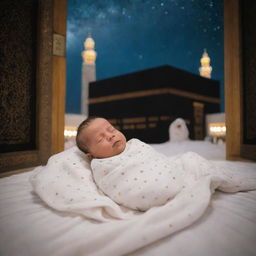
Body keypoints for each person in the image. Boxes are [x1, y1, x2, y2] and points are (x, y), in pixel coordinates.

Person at [76, 117, 256, 211]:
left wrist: (174, 166)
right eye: (101, 139)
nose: (110, 135)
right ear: (92, 156)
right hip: (150, 189)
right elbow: (116, 184)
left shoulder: (135, 145)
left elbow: (156, 159)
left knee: (190, 159)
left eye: (111, 129)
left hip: (170, 170)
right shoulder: (102, 167)